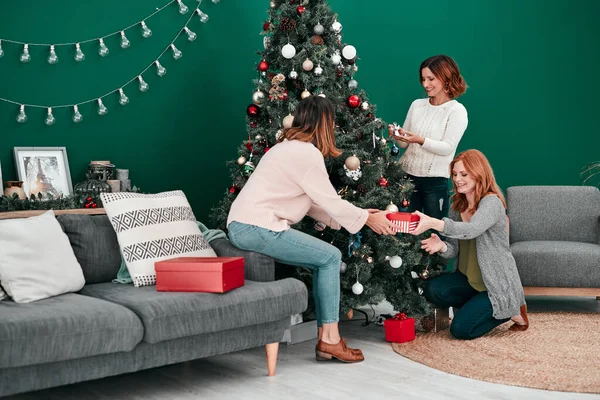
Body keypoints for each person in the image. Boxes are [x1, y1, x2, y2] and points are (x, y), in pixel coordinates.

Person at [227, 96, 397, 362]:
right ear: (325, 123)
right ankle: (329, 340)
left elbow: (312, 204)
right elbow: (330, 201)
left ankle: (327, 339)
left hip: (247, 224)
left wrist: (363, 216)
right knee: (330, 258)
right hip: (257, 226)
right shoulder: (306, 153)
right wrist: (367, 218)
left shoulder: (288, 148)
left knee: (325, 259)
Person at [409, 149, 528, 340]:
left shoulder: (492, 203)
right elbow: (454, 249)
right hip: (469, 281)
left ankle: (509, 309)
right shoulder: (458, 205)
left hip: (494, 285)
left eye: (464, 174)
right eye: (455, 174)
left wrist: (433, 222)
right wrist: (441, 246)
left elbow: (472, 229)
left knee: (461, 330)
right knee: (433, 289)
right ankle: (478, 305)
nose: (457, 179)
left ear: (479, 173)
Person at [388, 54, 468, 219]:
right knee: (403, 231)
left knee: (434, 232)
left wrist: (420, 140)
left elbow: (448, 147)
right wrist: (398, 135)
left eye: (431, 79)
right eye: (423, 79)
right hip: (406, 177)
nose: (425, 84)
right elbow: (404, 145)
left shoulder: (456, 110)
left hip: (434, 182)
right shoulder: (417, 105)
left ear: (446, 77)